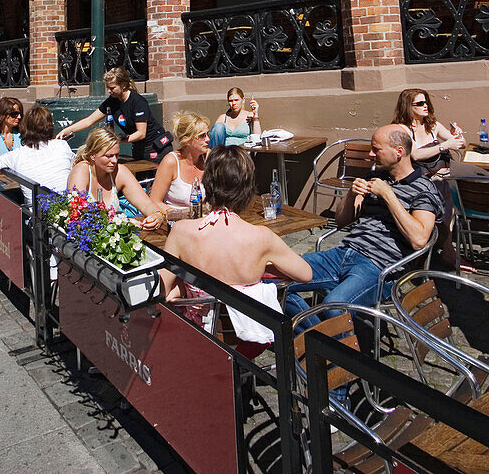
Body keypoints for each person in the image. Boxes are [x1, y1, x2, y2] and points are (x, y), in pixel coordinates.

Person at [284, 125, 443, 325]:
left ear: (399, 152)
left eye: (376, 149)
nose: (370, 154)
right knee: (276, 281)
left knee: (334, 306)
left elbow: (419, 240)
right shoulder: (374, 177)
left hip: (380, 268)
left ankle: (329, 348)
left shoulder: (424, 189)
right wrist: (351, 194)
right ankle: (317, 338)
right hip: (344, 253)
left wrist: (387, 195)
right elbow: (341, 222)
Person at [161, 147, 312, 355]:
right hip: (248, 343)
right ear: (248, 187)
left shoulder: (181, 231)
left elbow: (162, 289)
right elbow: (305, 274)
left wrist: (184, 283)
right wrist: (264, 268)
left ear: (208, 183)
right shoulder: (261, 237)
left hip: (200, 336)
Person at [393, 88, 465, 267]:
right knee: (443, 202)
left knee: (449, 202)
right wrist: (444, 146)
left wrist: (458, 137)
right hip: (418, 183)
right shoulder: (402, 129)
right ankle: (435, 251)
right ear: (407, 107)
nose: (425, 106)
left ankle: (445, 249)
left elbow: (459, 144)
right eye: (419, 103)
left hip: (441, 180)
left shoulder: (432, 125)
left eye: (426, 102)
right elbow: (415, 155)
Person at [57, 67, 174, 163]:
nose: (109, 91)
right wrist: (66, 130)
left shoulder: (138, 102)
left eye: (112, 88)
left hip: (156, 146)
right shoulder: (112, 101)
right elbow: (89, 121)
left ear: (123, 85)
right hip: (138, 147)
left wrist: (116, 140)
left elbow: (141, 133)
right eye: (107, 87)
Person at [0, 103, 74, 202]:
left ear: (25, 127)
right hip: (64, 209)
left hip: (36, 215)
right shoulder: (62, 145)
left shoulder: (13, 156)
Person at [66, 127, 166, 230]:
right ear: (92, 155)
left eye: (116, 155)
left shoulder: (119, 171)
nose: (114, 160)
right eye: (109, 156)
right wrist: (123, 222)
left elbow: (146, 204)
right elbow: (77, 216)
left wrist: (156, 215)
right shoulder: (81, 171)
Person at [149, 112, 210, 221]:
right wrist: (178, 215)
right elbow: (155, 201)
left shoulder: (209, 157)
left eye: (208, 134)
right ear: (187, 139)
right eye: (202, 136)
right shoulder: (171, 162)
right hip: (176, 222)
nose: (207, 139)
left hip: (204, 220)